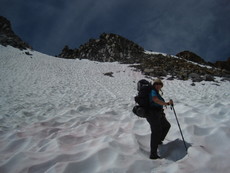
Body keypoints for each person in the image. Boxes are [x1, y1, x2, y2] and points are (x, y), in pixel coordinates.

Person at [146, 79, 173, 159]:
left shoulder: (157, 92)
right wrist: (167, 103)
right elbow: (155, 100)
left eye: (159, 84)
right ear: (154, 85)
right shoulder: (153, 91)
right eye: (156, 84)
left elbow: (158, 100)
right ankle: (153, 154)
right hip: (152, 115)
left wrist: (167, 103)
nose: (158, 85)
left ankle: (158, 141)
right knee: (156, 133)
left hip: (158, 114)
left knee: (166, 126)